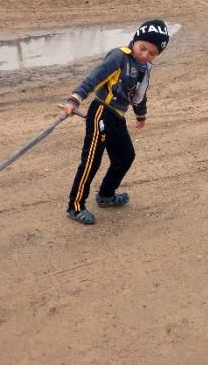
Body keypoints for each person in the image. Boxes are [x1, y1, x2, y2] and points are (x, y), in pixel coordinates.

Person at [63, 20, 170, 225]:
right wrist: (75, 98)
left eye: (152, 53)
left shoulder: (145, 68)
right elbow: (95, 77)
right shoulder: (119, 56)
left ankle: (106, 195)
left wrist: (141, 114)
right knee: (92, 160)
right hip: (101, 111)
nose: (145, 55)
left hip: (118, 116)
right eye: (143, 48)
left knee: (126, 156)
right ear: (135, 40)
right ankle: (75, 206)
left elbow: (139, 94)